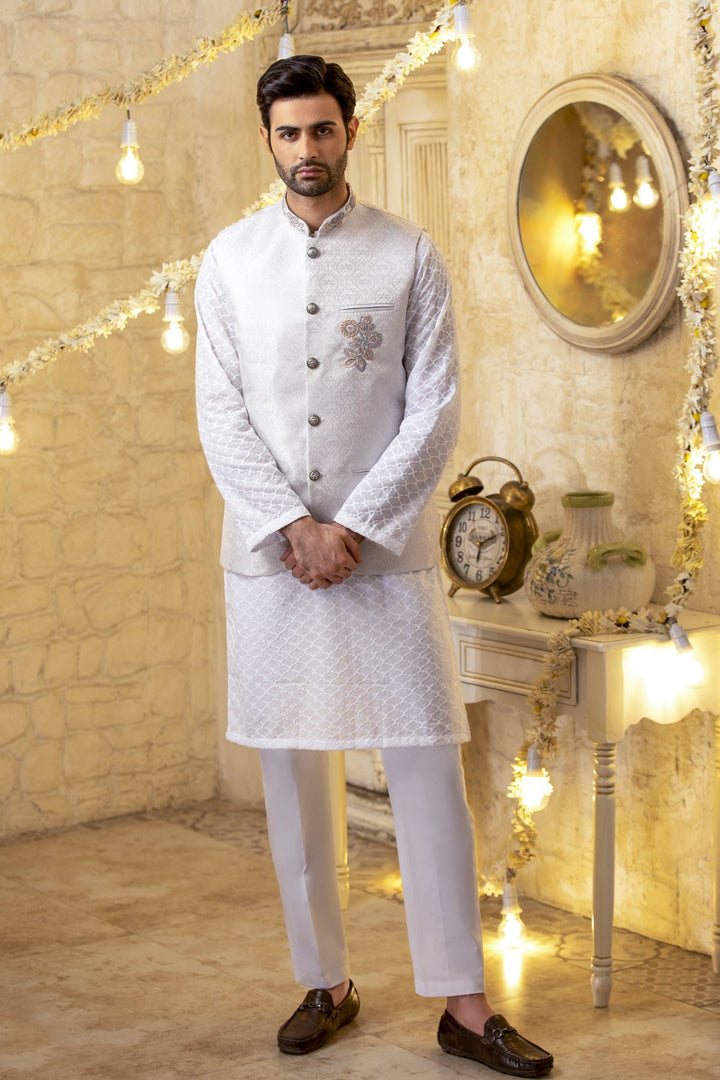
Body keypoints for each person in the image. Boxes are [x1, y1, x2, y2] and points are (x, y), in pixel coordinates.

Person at [195, 54, 553, 1077]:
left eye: (322, 129)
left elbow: (434, 408)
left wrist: (351, 526)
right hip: (274, 565)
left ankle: (465, 1005)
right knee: (292, 777)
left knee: (428, 771)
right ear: (267, 140)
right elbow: (220, 415)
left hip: (382, 560)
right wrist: (292, 528)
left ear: (351, 131)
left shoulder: (409, 256)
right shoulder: (228, 262)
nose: (306, 149)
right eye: (288, 133)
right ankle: (327, 982)